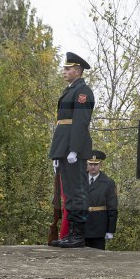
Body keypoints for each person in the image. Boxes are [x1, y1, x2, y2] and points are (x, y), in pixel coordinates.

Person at [48, 52, 95, 248]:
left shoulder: (83, 92)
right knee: (69, 191)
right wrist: (57, 153)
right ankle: (70, 234)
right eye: (65, 68)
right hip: (64, 148)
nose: (64, 71)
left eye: (68, 69)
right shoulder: (70, 90)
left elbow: (80, 123)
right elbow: (62, 125)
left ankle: (78, 235)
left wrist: (74, 149)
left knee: (78, 191)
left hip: (73, 149)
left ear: (78, 71)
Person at [83, 150, 118, 250]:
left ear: (101, 165)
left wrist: (110, 230)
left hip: (98, 226)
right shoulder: (80, 179)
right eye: (90, 164)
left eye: (96, 164)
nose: (93, 167)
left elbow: (112, 207)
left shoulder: (108, 183)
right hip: (81, 225)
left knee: (98, 259)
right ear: (87, 164)